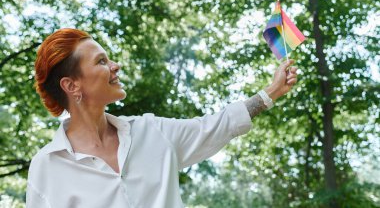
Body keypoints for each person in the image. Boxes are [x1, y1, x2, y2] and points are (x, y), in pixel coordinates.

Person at [27, 28, 298, 208]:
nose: (115, 66)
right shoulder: (47, 167)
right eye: (101, 61)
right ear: (72, 86)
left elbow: (219, 125)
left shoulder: (152, 132)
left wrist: (272, 91)